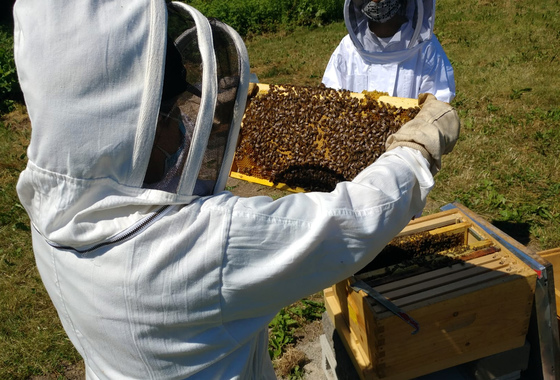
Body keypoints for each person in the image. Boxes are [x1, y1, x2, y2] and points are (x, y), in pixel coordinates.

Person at [13, 0, 460, 379]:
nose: (181, 129)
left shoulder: (48, 211)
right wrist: (416, 150)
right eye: (168, 118)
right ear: (123, 131)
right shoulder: (201, 250)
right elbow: (353, 219)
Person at [322, 0, 456, 103]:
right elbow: (330, 100)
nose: (377, 1)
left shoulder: (426, 49)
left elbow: (437, 105)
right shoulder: (348, 48)